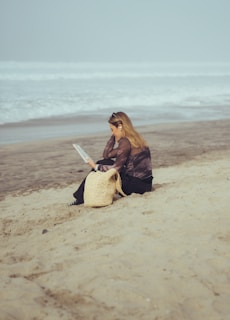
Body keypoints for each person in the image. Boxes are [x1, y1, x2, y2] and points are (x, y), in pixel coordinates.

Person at [69, 111, 153, 205]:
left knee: (101, 164)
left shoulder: (125, 142)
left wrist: (95, 166)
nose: (112, 132)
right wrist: (113, 136)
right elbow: (107, 155)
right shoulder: (136, 138)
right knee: (105, 161)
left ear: (120, 126)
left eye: (112, 129)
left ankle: (80, 198)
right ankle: (80, 197)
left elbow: (115, 168)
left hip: (135, 187)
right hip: (146, 185)